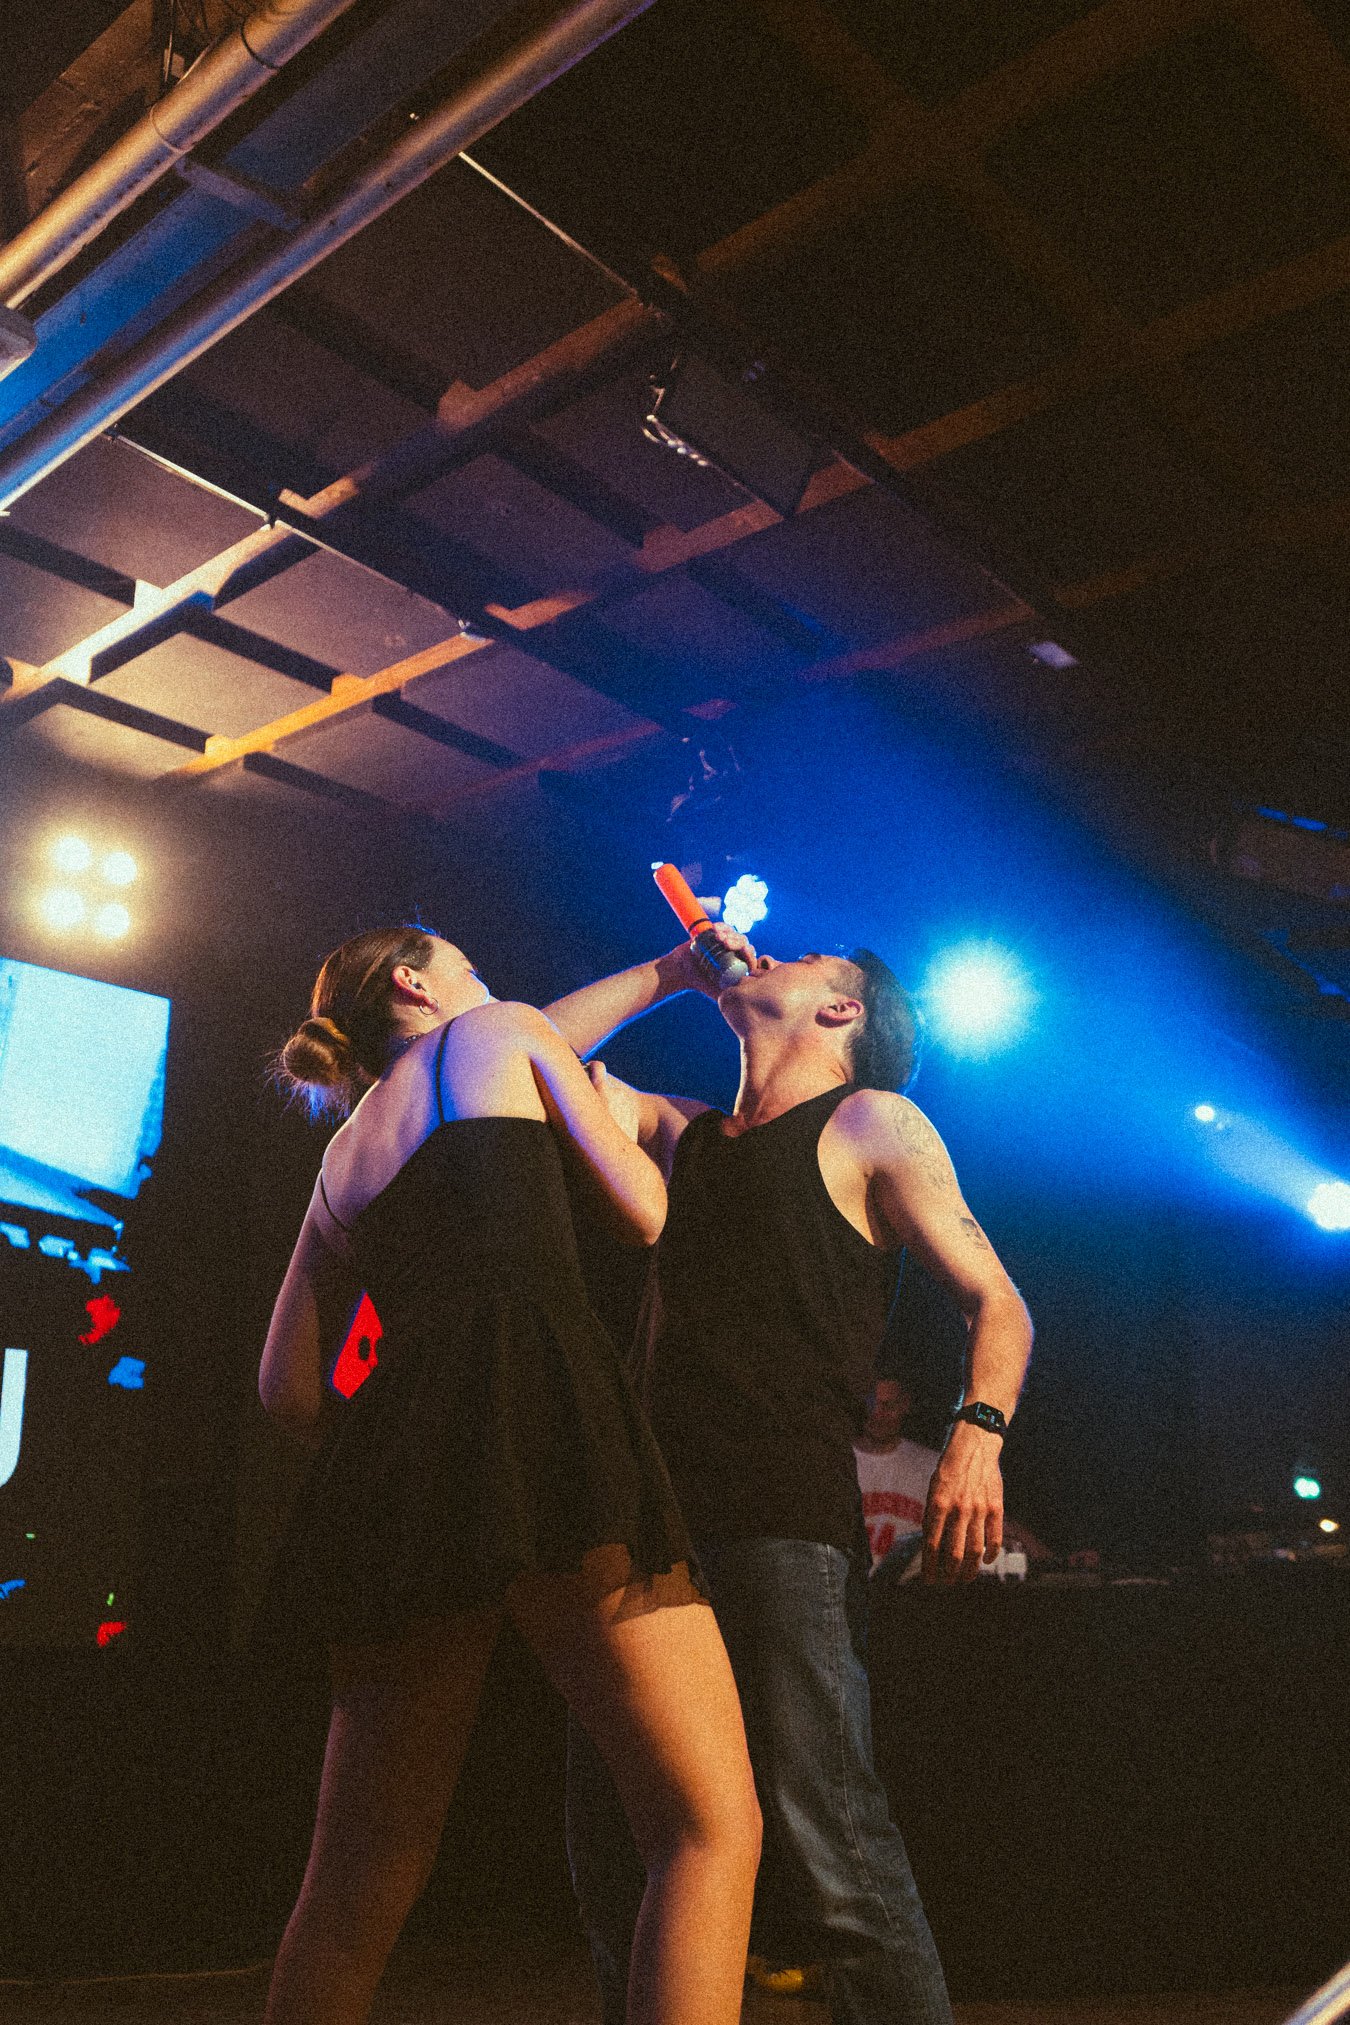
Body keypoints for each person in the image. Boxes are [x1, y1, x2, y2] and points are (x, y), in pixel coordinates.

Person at [257, 925, 760, 2025]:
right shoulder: (504, 1033)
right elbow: (646, 1209)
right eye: (473, 968)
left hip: (401, 1466)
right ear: (415, 980)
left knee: (356, 1882)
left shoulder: (341, 1156)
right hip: (544, 1413)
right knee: (706, 1826)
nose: (493, 983)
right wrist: (601, 1105)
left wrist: (669, 974)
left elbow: (285, 1388)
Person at [545, 926, 1034, 2025]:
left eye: (806, 960)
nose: (768, 957)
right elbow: (530, 1048)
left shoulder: (871, 1122)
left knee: (828, 1850)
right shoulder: (680, 1132)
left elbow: (997, 1300)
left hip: (778, 1525)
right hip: (644, 1528)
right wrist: (669, 971)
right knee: (616, 1850)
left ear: (842, 1011)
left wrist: (975, 1435)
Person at [856, 1375, 1048, 1581]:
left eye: (888, 1406)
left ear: (905, 1404)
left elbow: (992, 1520)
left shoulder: (936, 1467)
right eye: (872, 1404)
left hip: (910, 1589)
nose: (877, 1414)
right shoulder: (840, 1463)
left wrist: (1051, 1560)